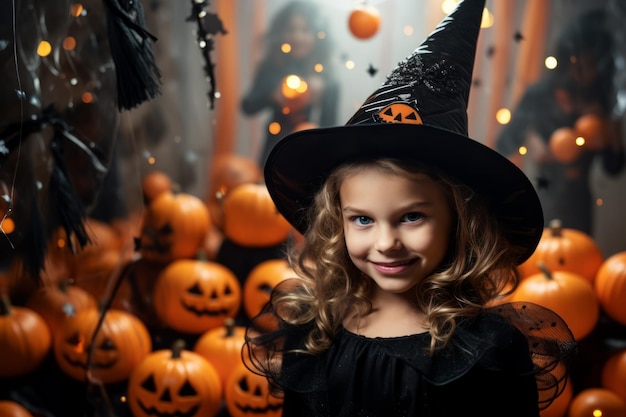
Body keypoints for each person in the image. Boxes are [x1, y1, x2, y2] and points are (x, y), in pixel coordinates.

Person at [243, 1, 576, 416]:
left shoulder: (487, 347)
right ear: (337, 221)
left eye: (412, 216)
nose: (386, 243)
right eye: (362, 219)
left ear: (459, 219)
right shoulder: (314, 333)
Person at [495, 8, 624, 235]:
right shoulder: (540, 94)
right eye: (578, 64)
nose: (584, 72)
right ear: (566, 60)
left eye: (592, 65)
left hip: (580, 204)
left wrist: (611, 133)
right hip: (540, 197)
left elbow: (613, 168)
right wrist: (530, 138)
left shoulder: (600, 103)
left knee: (576, 259)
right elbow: (503, 144)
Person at [241, 0, 340, 166]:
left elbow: (331, 127)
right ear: (281, 32)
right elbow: (247, 105)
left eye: (305, 30)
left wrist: (324, 90)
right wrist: (272, 95)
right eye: (291, 29)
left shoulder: (326, 75)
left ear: (317, 34)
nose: (297, 37)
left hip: (313, 154)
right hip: (275, 150)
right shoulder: (273, 66)